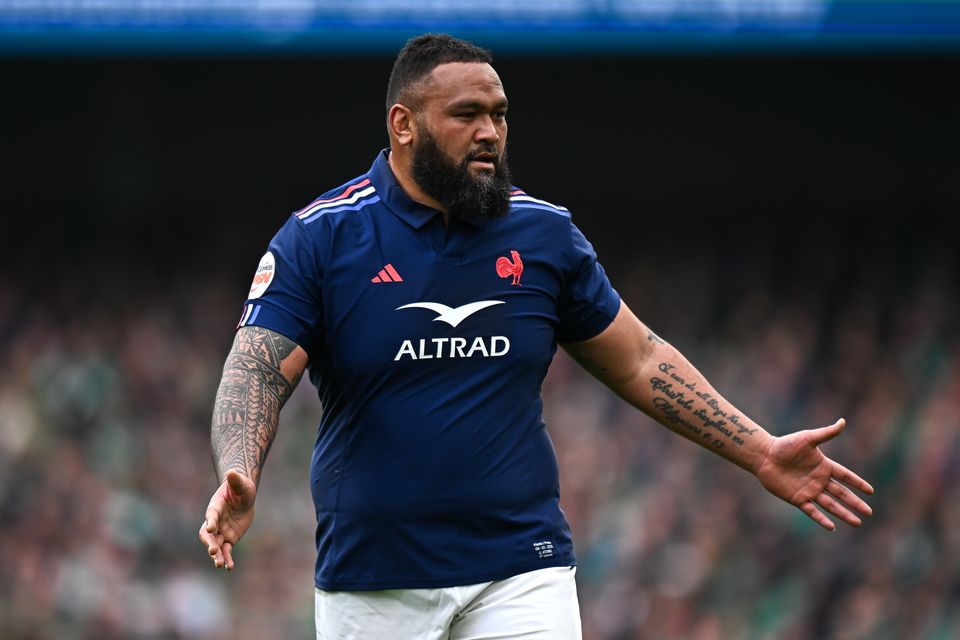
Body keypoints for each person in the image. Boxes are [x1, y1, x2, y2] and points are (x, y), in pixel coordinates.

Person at [199, 33, 874, 639]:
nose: (490, 132)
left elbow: (638, 360)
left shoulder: (544, 234)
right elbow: (255, 370)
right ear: (403, 125)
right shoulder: (322, 237)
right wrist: (241, 469)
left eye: (499, 114)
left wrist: (759, 450)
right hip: (377, 579)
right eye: (467, 115)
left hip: (522, 567)